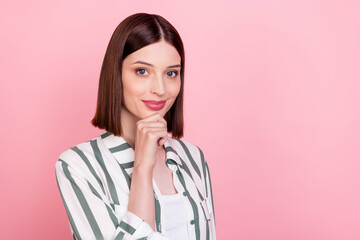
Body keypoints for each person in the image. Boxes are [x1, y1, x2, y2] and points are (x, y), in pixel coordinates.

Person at [55, 12, 216, 240]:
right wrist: (142, 167)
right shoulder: (79, 165)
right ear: (116, 74)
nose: (160, 89)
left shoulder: (193, 158)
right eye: (142, 71)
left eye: (171, 73)